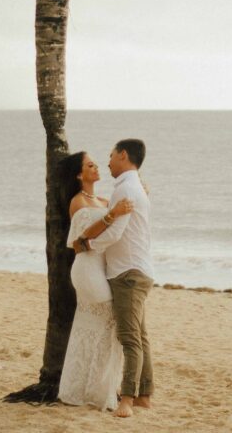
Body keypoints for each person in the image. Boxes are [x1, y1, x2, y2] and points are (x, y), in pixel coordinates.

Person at [75, 138, 154, 420]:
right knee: (140, 337)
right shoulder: (133, 186)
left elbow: (115, 233)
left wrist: (87, 244)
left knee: (130, 338)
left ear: (123, 155)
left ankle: (128, 400)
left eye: (110, 156)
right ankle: (144, 395)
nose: (107, 162)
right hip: (138, 268)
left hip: (127, 273)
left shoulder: (127, 188)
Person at [57, 151, 135, 412]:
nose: (96, 167)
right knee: (108, 321)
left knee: (95, 328)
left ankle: (92, 389)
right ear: (80, 174)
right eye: (90, 165)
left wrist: (139, 193)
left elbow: (118, 218)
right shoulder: (77, 202)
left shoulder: (103, 199)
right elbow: (80, 242)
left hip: (102, 268)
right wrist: (113, 214)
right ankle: (96, 390)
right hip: (87, 269)